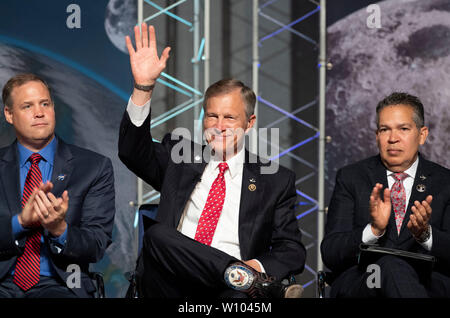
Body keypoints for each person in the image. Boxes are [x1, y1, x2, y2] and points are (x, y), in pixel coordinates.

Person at [118, 23, 306, 298]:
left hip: (227, 293)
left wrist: (254, 266)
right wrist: (143, 87)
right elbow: (131, 152)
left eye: (230, 117)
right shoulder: (179, 157)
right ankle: (239, 276)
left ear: (249, 123)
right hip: (169, 282)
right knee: (157, 235)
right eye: (211, 116)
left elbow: (292, 249)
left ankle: (238, 278)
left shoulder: (274, 180)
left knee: (237, 299)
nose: (219, 125)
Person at [321, 92, 450, 297]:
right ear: (376, 136)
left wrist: (426, 235)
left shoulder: (445, 182)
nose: (392, 138)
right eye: (384, 130)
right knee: (389, 266)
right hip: (366, 280)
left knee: (397, 269)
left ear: (422, 134)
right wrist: (373, 230)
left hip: (427, 282)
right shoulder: (352, 177)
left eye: (404, 129)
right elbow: (331, 252)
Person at [0, 73, 115, 298]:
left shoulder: (93, 167)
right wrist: (21, 222)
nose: (39, 113)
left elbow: (96, 244)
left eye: (45, 103)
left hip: (60, 284)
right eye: (27, 106)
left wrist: (59, 229)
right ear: (9, 114)